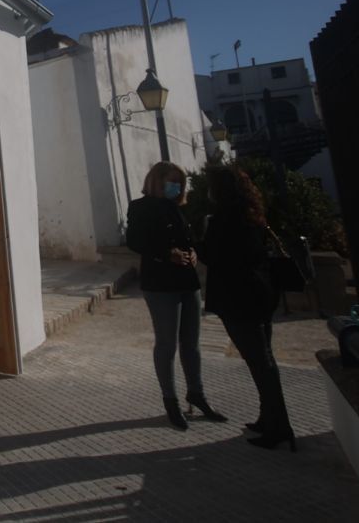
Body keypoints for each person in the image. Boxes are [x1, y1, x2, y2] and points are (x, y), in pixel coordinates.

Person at [198, 164, 297, 451]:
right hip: (261, 294)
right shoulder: (252, 216)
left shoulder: (222, 221)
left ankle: (279, 427)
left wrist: (198, 245)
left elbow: (217, 257)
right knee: (265, 359)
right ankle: (269, 418)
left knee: (260, 362)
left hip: (238, 298)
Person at [126, 161, 226, 430]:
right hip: (159, 283)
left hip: (187, 280)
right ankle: (170, 401)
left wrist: (192, 252)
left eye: (180, 184)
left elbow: (188, 238)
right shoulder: (140, 207)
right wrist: (166, 253)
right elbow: (134, 241)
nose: (177, 188)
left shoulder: (178, 208)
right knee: (167, 343)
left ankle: (197, 393)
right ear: (157, 181)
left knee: (191, 343)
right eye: (172, 182)